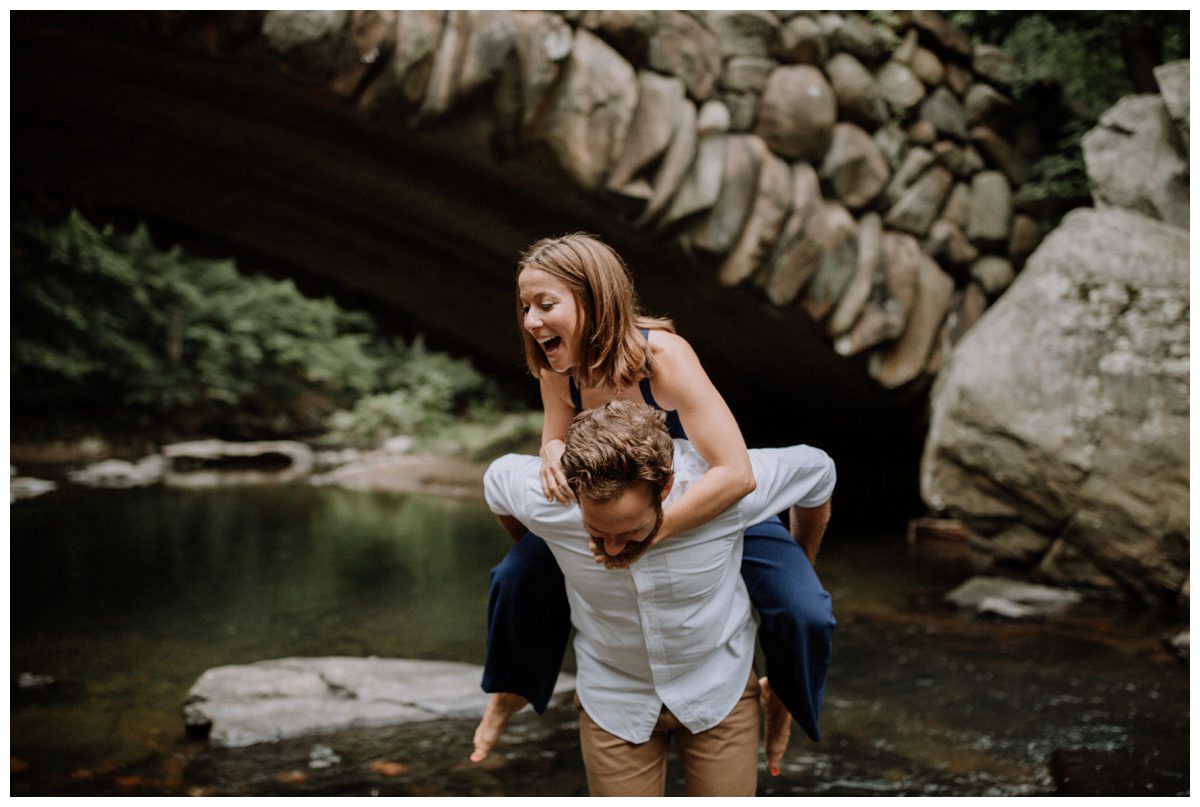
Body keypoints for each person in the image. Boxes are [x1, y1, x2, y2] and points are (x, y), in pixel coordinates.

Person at [475, 232, 835, 774]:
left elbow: (734, 473)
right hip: (607, 509)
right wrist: (553, 467)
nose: (530, 320)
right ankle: (511, 689)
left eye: (546, 305)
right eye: (525, 306)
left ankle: (782, 697)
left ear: (594, 300)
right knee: (516, 578)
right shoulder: (557, 365)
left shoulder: (660, 356)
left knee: (805, 610)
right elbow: (555, 434)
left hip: (705, 497)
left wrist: (655, 533)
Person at [480, 401, 836, 796]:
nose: (612, 550)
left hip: (719, 688)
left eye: (630, 532)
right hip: (613, 698)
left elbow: (818, 470)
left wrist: (801, 564)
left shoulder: (727, 489)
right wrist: (547, 550)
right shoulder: (546, 497)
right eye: (597, 532)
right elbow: (496, 483)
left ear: (665, 489)